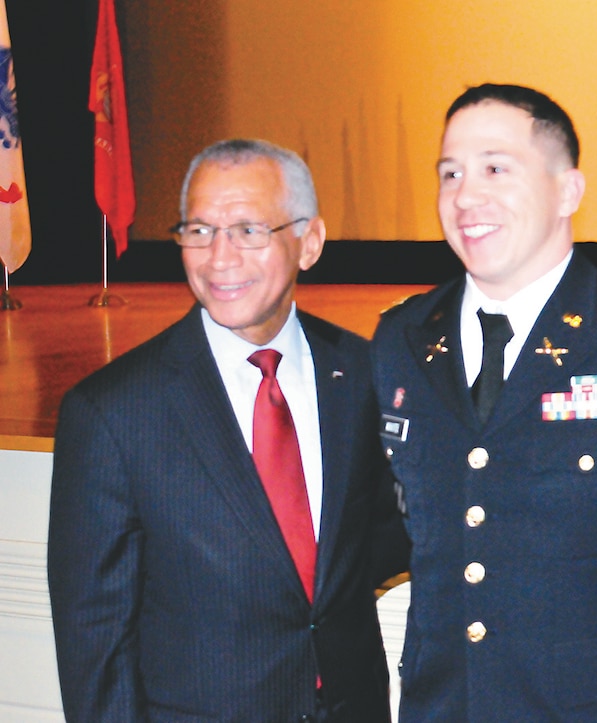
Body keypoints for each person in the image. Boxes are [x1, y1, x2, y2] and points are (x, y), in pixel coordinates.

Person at [371, 83, 597, 720]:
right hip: (448, 706)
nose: (466, 195)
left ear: (568, 191)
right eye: (451, 173)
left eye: (496, 168)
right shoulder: (402, 339)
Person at [47, 139, 409, 722]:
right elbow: (95, 639)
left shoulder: (365, 376)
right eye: (198, 230)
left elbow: (376, 537)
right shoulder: (113, 413)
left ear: (309, 242)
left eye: (247, 230)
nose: (218, 257)